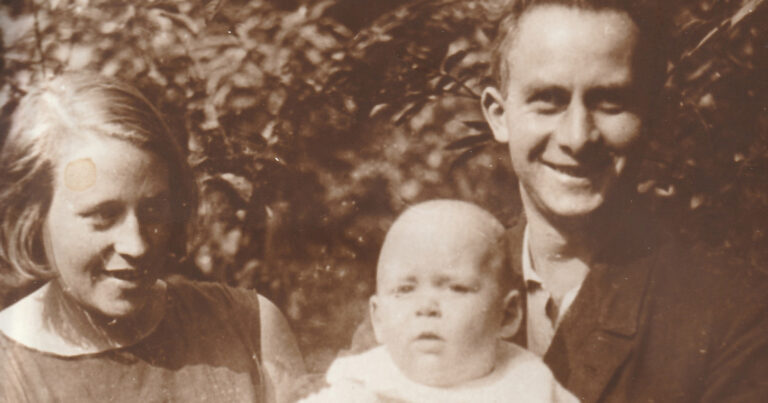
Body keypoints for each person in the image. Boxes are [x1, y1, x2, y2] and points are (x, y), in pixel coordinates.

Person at [478, 0, 768, 401]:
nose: (577, 137)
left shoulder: (734, 320)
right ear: (498, 114)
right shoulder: (421, 286)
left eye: (609, 101)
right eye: (549, 99)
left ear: (653, 115)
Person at [0, 72, 305, 402]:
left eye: (153, 211)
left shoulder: (249, 327)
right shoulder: (8, 372)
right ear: (33, 216)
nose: (137, 245)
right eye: (104, 215)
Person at [301, 200, 577, 402]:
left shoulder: (530, 386)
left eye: (456, 288)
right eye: (405, 289)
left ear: (507, 315)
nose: (427, 307)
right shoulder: (357, 388)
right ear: (378, 318)